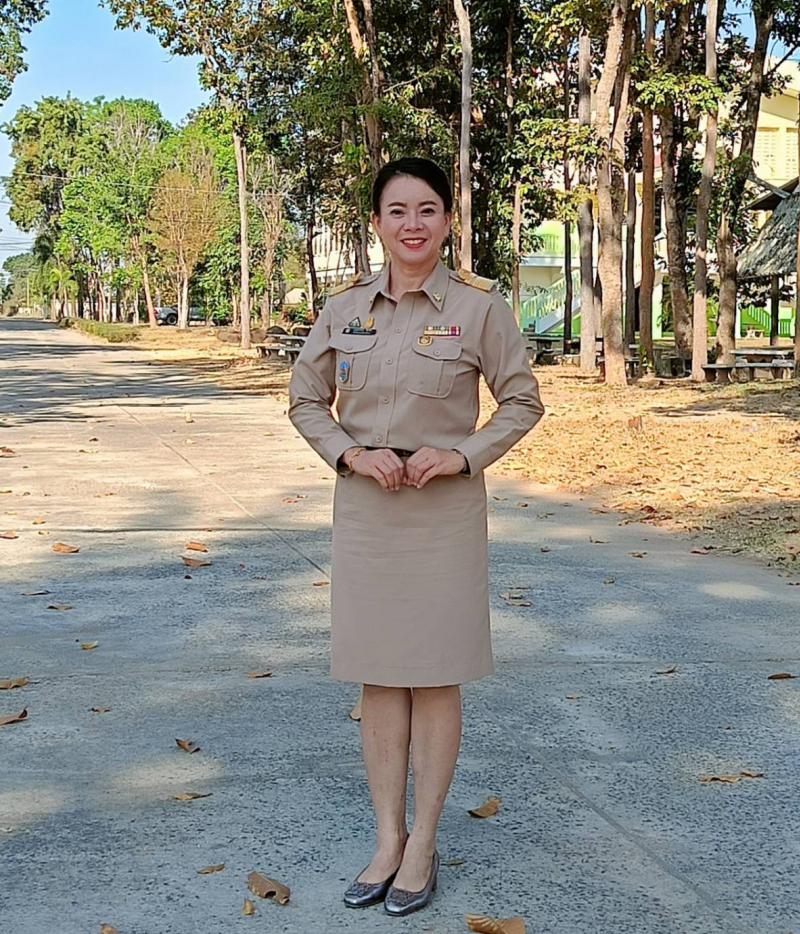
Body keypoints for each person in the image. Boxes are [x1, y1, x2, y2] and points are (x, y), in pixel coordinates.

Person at [288, 156, 544, 916]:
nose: (412, 224)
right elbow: (305, 399)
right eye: (397, 210)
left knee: (434, 675)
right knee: (379, 674)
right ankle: (387, 839)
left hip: (443, 512)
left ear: (447, 221)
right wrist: (349, 453)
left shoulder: (480, 309)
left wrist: (463, 455)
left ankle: (424, 843)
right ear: (376, 223)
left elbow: (522, 402)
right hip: (369, 510)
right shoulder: (344, 310)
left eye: (427, 209)